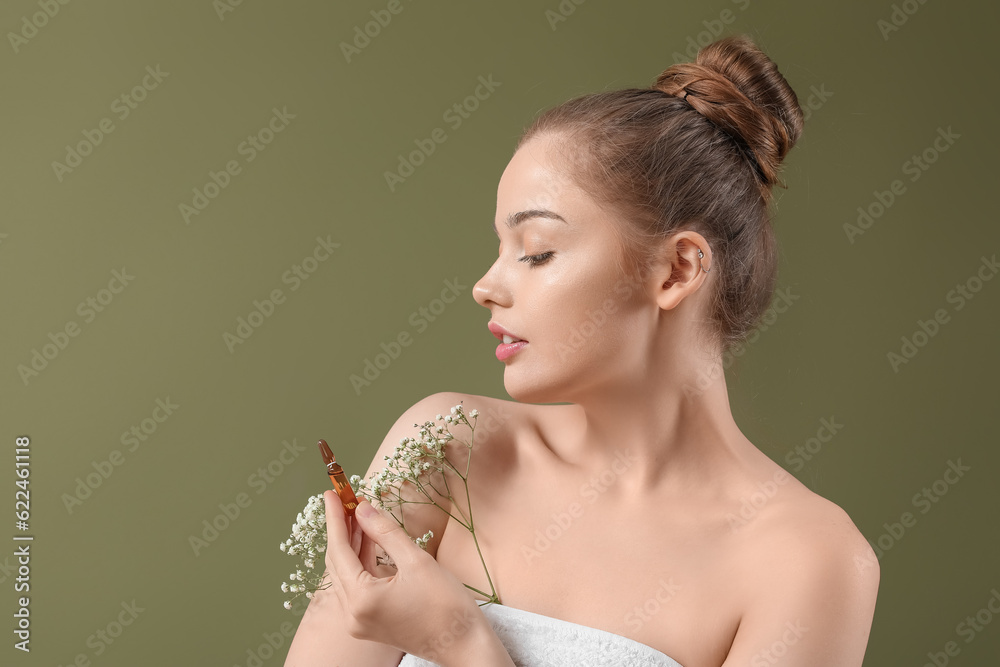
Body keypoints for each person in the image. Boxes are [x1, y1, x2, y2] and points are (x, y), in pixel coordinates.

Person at [285, 33, 880, 667]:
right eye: (499, 247)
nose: (486, 287)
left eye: (537, 251)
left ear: (677, 270)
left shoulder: (806, 561)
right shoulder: (448, 449)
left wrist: (458, 643)